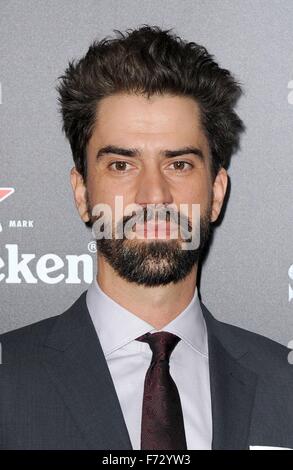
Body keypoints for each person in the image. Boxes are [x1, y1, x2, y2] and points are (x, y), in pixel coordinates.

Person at [1, 25, 293, 451]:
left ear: (215, 193)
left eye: (179, 165)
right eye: (121, 165)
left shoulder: (283, 385)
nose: (153, 195)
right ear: (83, 193)